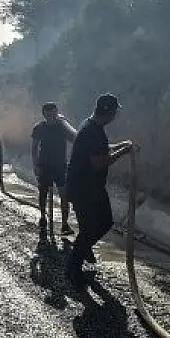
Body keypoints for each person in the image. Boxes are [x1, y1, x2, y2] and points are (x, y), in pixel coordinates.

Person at [64, 93, 132, 286]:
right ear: (107, 111)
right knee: (95, 226)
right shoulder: (92, 131)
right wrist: (123, 152)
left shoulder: (92, 126)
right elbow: (99, 163)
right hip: (84, 188)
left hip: (89, 187)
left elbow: (100, 148)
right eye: (114, 112)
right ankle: (72, 268)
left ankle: (80, 254)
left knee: (99, 224)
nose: (115, 116)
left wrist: (119, 145)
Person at [31, 102, 78, 234]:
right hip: (44, 165)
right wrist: (35, 165)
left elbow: (74, 138)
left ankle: (64, 224)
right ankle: (42, 216)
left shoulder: (62, 126)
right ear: (44, 114)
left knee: (64, 195)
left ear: (57, 113)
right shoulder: (39, 128)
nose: (51, 117)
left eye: (53, 114)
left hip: (60, 166)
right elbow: (34, 148)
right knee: (43, 193)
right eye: (48, 114)